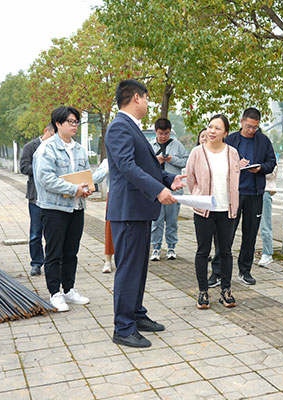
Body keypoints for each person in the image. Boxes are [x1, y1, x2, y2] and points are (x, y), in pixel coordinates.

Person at [105, 79, 185, 348]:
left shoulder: (132, 127)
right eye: (147, 98)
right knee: (128, 270)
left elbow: (145, 166)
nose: (148, 104)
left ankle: (136, 315)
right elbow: (127, 166)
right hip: (128, 210)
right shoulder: (119, 126)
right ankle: (123, 327)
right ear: (137, 97)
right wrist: (158, 190)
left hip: (139, 210)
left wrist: (168, 179)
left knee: (138, 269)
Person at [33, 106, 106, 313]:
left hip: (76, 208)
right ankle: (54, 293)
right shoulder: (46, 149)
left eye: (76, 122)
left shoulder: (79, 149)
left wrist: (87, 187)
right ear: (58, 124)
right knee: (54, 253)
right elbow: (45, 178)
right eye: (70, 122)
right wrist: (74, 189)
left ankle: (68, 289)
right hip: (54, 209)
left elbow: (85, 176)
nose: (74, 126)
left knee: (71, 252)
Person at [209, 108, 276, 286]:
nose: (251, 130)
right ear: (241, 122)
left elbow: (271, 163)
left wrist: (260, 168)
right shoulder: (230, 140)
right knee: (225, 234)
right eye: (248, 126)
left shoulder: (263, 141)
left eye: (255, 127)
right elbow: (218, 162)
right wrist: (236, 165)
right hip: (233, 194)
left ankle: (245, 270)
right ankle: (218, 272)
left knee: (250, 234)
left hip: (254, 193)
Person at [186, 114, 239, 309]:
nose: (212, 131)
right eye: (210, 127)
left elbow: (235, 179)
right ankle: (203, 291)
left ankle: (226, 290)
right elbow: (190, 178)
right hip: (204, 209)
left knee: (225, 251)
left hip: (227, 209)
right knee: (203, 250)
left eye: (217, 128)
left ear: (225, 133)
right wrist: (199, 196)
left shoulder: (232, 152)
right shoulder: (197, 152)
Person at [149, 118, 189, 261]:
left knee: (172, 221)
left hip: (174, 190)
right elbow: (145, 164)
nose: (163, 136)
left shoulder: (177, 145)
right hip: (156, 189)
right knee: (156, 221)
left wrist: (172, 159)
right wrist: (157, 160)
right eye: (161, 133)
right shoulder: (150, 146)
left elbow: (186, 161)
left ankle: (171, 247)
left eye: (166, 133)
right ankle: (156, 248)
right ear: (155, 132)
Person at [19, 123, 55, 276]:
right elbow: (23, 167)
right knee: (35, 233)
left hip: (52, 197)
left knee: (52, 233)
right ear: (46, 131)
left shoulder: (55, 148)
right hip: (36, 197)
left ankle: (52, 262)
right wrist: (41, 170)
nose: (54, 138)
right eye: (52, 135)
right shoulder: (30, 147)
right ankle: (36, 263)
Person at [258, 158, 277, 267]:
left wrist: (258, 168)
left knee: (265, 223)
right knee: (249, 225)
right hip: (249, 190)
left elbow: (271, 173)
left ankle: (267, 253)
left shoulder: (267, 151)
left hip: (264, 190)